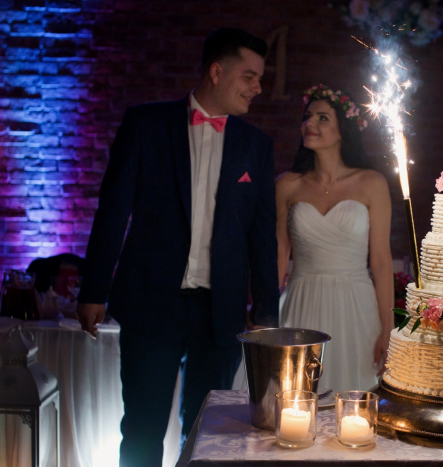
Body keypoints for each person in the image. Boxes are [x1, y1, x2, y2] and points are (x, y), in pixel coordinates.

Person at [76, 28, 279, 467]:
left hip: (221, 312)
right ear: (216, 71)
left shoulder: (256, 146)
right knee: (142, 428)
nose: (257, 88)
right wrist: (93, 290)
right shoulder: (146, 124)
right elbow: (113, 211)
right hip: (151, 301)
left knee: (209, 433)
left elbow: (262, 238)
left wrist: (265, 317)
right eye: (249, 76)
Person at [275, 84, 394, 393]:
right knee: (293, 398)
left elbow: (381, 262)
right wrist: (262, 313)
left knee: (354, 396)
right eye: (307, 116)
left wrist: (387, 328)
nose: (309, 123)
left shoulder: (371, 183)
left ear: (344, 130)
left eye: (322, 118)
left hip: (355, 304)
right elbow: (278, 254)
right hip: (302, 300)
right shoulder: (288, 186)